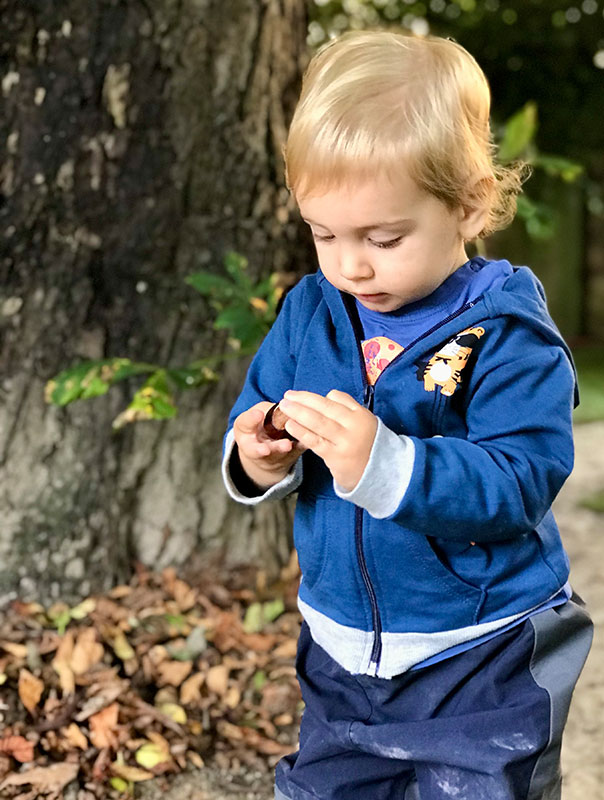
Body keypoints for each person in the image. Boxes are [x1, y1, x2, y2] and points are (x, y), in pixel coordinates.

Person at [221, 29, 593, 800]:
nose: (351, 265)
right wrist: (256, 452)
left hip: (478, 653)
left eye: (383, 238)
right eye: (324, 234)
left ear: (468, 206)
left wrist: (386, 465)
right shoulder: (312, 312)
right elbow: (258, 403)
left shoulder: (507, 332)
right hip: (341, 644)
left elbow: (521, 478)